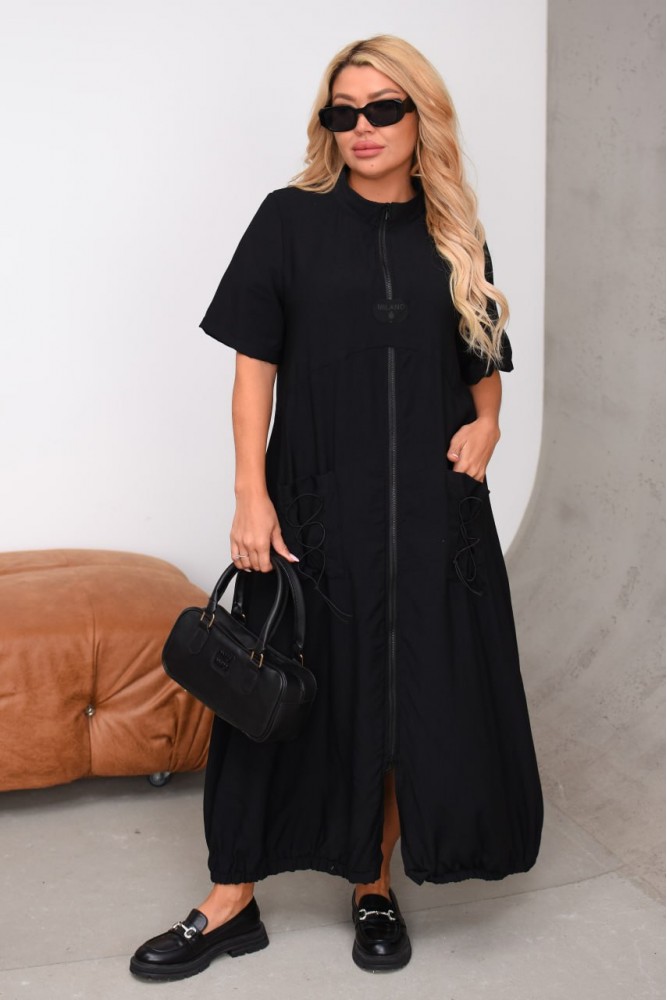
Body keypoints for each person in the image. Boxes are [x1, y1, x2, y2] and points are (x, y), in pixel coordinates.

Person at [130, 34, 544, 981]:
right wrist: (251, 495)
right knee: (273, 703)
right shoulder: (290, 219)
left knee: (402, 701)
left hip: (433, 520)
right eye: (342, 111)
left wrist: (487, 425)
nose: (362, 127)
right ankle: (229, 900)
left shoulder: (454, 232)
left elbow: (482, 364)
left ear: (421, 118)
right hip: (315, 510)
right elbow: (253, 372)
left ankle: (372, 884)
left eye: (382, 108)